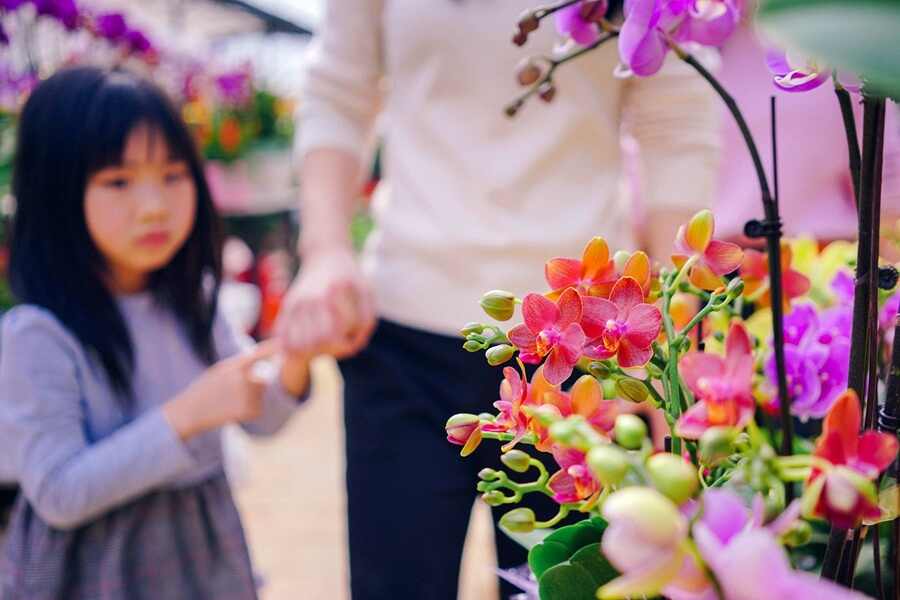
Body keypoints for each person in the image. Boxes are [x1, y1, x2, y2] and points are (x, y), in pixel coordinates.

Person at [280, 2, 722, 598]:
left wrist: (671, 336)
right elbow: (338, 87)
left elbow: (676, 121)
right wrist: (326, 250)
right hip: (404, 333)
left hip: (586, 350)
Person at [0, 67, 318, 600]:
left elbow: (259, 416)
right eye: (118, 181)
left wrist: (296, 358)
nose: (154, 207)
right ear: (56, 192)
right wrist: (188, 414)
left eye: (173, 175)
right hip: (90, 568)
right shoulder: (38, 336)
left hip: (202, 551)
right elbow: (58, 492)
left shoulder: (193, 301)